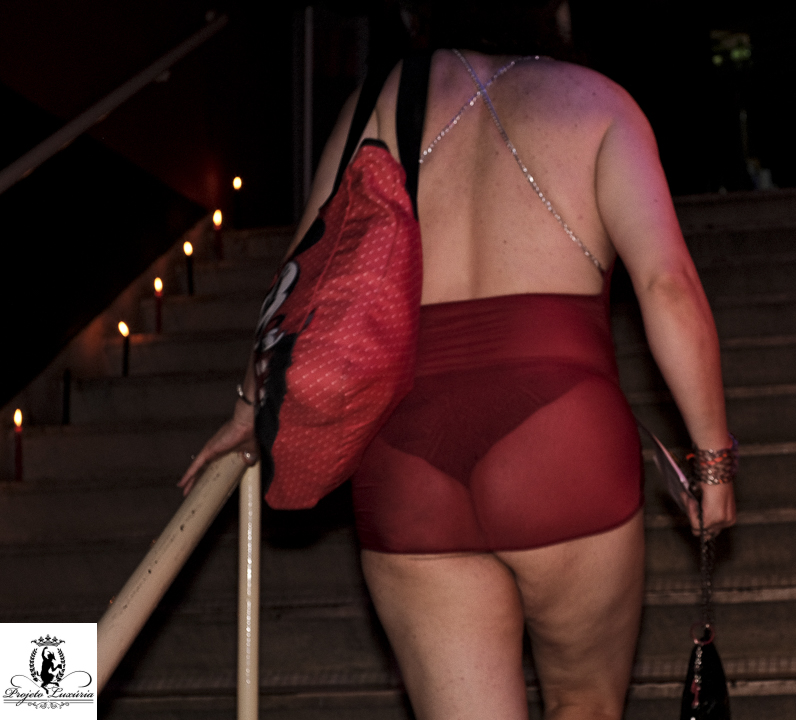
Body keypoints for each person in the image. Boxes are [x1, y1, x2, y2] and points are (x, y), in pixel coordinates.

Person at [179, 15, 734, 720]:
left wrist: (248, 406)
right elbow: (667, 286)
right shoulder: (599, 103)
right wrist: (713, 462)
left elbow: (303, 280)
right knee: (585, 705)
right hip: (561, 438)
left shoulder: (378, 103)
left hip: (405, 451)